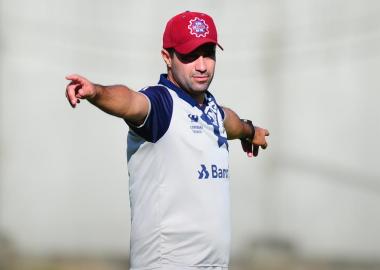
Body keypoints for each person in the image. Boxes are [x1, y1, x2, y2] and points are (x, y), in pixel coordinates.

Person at [65, 10, 269, 270]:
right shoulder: (162, 105)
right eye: (189, 56)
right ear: (167, 58)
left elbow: (227, 120)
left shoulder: (210, 109)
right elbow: (130, 102)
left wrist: (249, 131)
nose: (202, 65)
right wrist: (96, 92)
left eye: (208, 53)